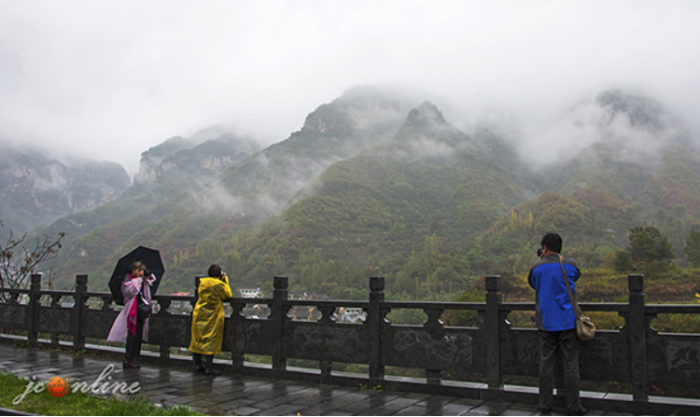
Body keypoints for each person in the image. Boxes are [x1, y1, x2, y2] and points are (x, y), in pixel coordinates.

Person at [528, 233, 588, 415]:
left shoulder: (537, 268)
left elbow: (533, 284)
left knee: (546, 365)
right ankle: (574, 406)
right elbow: (576, 277)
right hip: (569, 322)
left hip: (546, 323)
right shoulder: (570, 265)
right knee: (571, 365)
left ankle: (545, 404)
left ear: (544, 248)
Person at [107, 261, 156, 369]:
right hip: (132, 310)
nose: (140, 272)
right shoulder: (127, 281)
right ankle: (128, 358)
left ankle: (134, 357)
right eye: (138, 270)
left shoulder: (143, 280)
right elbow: (132, 292)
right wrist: (138, 280)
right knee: (132, 334)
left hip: (141, 310)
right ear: (133, 270)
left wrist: (147, 275)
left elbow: (152, 280)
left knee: (138, 335)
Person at [189, 264, 233, 376]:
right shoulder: (219, 285)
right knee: (210, 339)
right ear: (219, 274)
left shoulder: (202, 282)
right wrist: (225, 280)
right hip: (212, 315)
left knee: (197, 339)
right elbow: (228, 294)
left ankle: (198, 364)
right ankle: (209, 367)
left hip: (199, 312)